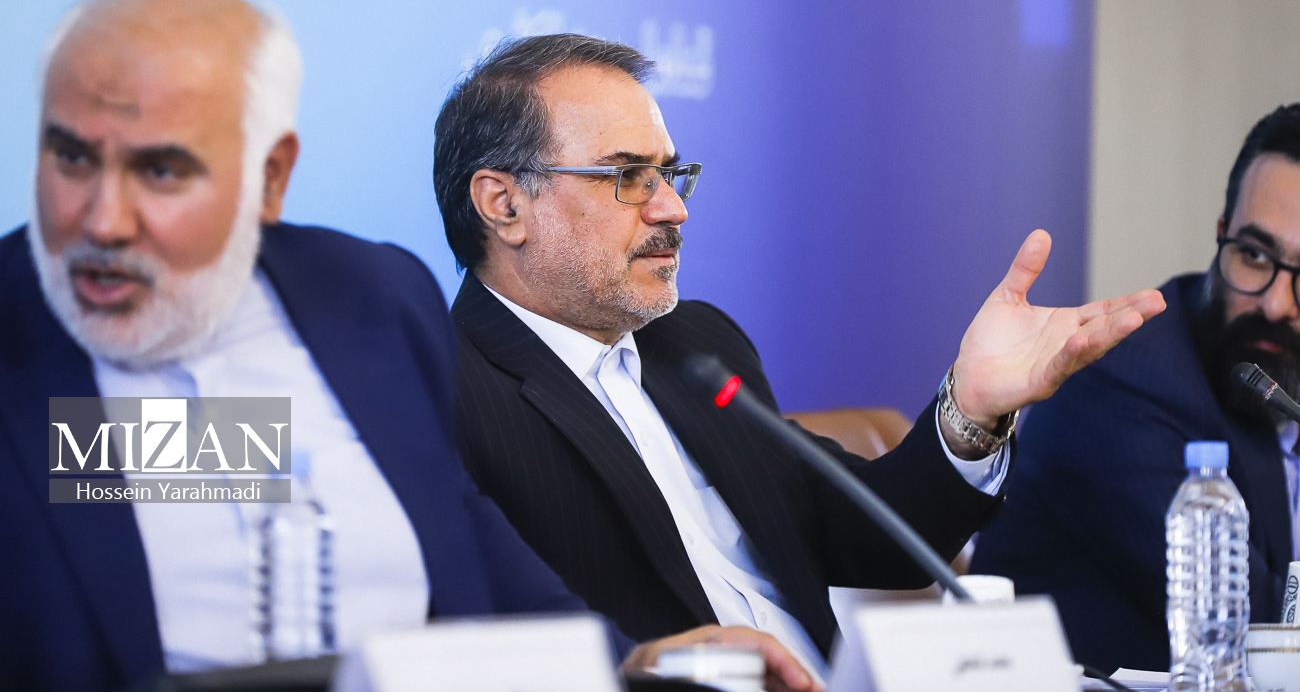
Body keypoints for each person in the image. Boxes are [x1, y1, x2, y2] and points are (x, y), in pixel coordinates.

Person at [0, 0, 816, 692]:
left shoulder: (369, 300)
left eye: (161, 170)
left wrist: (628, 662)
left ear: (269, 177)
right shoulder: (21, 335)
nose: (102, 220)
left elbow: (469, 543)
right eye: (71, 158)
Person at [433, 33, 1166, 677]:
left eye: (670, 174)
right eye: (627, 176)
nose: (672, 209)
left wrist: (971, 407)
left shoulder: (694, 345)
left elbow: (874, 539)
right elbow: (481, 640)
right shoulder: (445, 388)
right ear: (504, 204)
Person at [972, 106, 1300, 672]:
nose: (1274, 303)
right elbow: (1266, 633)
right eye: (1253, 255)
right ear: (1221, 233)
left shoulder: (1275, 381)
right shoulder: (1124, 385)